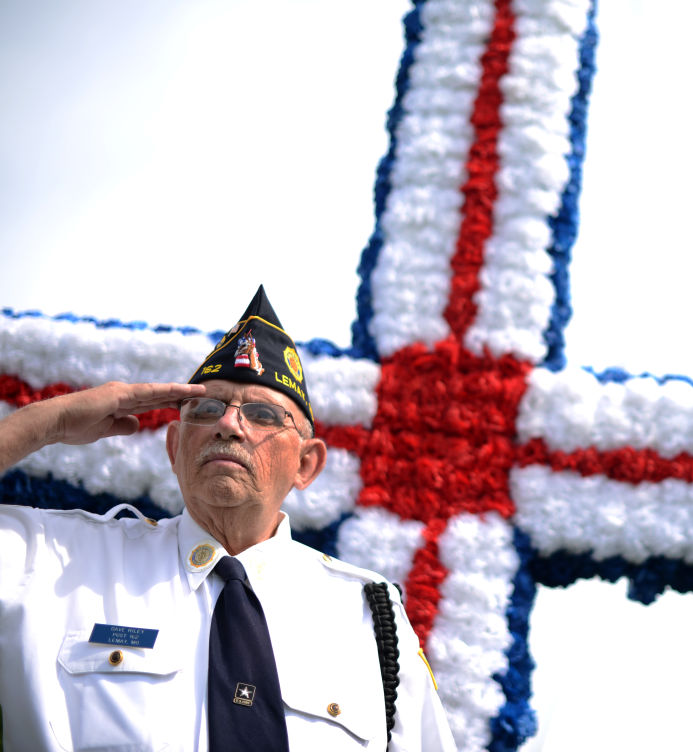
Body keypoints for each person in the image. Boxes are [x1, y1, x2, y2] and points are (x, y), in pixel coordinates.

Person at [0, 286, 457, 751]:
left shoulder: (368, 617)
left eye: (261, 413)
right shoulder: (60, 559)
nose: (229, 424)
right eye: (207, 408)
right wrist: (46, 423)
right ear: (175, 447)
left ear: (306, 465)